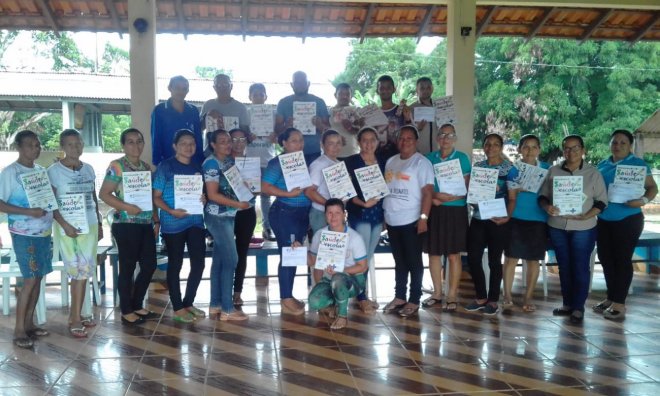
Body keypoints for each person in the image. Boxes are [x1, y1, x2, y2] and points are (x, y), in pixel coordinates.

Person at [538, 135, 608, 324]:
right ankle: (567, 303)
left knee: (580, 267)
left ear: (583, 150)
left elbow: (602, 202)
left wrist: (588, 215)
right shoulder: (553, 171)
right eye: (566, 148)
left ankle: (578, 307)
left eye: (575, 148)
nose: (571, 152)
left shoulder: (593, 173)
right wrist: (547, 207)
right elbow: (542, 197)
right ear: (563, 151)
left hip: (583, 227)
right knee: (564, 266)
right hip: (557, 226)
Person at [0, 131, 56, 348]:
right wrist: (30, 213)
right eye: (31, 145)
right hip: (23, 233)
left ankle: (30, 324)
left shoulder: (41, 171)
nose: (36, 149)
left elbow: (47, 199)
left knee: (39, 277)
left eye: (37, 144)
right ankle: (19, 330)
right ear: (19, 147)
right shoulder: (10, 173)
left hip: (43, 233)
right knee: (29, 279)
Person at [595, 129, 657, 321]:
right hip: (603, 219)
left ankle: (620, 303)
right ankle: (611, 297)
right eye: (614, 142)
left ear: (630, 145)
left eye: (623, 143)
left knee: (622, 260)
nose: (618, 146)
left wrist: (644, 200)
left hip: (628, 219)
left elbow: (652, 187)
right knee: (606, 259)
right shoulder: (602, 165)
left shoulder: (638, 164)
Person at [99, 128, 158, 325]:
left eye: (139, 141)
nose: (136, 145)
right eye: (130, 142)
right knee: (128, 267)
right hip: (125, 224)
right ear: (123, 145)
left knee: (150, 265)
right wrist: (126, 207)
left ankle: (137, 303)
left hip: (145, 224)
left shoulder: (146, 167)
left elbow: (151, 197)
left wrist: (155, 220)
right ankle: (126, 309)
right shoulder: (117, 166)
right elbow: (104, 194)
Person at [48, 129, 103, 338]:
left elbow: (93, 197)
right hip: (67, 229)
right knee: (76, 273)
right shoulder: (53, 171)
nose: (75, 148)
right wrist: (64, 224)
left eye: (78, 144)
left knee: (86, 271)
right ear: (63, 147)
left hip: (88, 226)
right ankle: (74, 318)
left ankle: (80, 313)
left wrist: (98, 223)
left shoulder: (88, 169)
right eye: (70, 145)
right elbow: (51, 203)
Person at [152, 129, 207, 323]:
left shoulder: (196, 168)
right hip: (172, 222)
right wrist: (171, 211)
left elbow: (202, 195)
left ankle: (189, 302)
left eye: (192, 143)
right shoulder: (165, 167)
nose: (188, 147)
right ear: (175, 146)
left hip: (195, 221)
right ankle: (177, 307)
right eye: (183, 143)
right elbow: (156, 197)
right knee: (175, 264)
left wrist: (203, 198)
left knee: (199, 263)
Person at [382, 125, 434, 317]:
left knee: (414, 262)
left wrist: (423, 218)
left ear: (416, 141)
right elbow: (388, 189)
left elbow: (428, 193)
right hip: (392, 219)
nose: (405, 142)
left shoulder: (422, 163)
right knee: (399, 261)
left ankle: (414, 299)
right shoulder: (391, 162)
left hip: (412, 219)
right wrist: (385, 215)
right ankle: (399, 296)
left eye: (409, 138)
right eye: (401, 138)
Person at [261, 127, 311, 315]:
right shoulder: (277, 163)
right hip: (284, 213)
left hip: (302, 213)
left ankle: (288, 295)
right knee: (289, 254)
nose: (299, 144)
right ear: (283, 143)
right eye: (294, 140)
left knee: (295, 253)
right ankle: (286, 298)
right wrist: (287, 193)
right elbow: (264, 187)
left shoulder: (304, 162)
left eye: (301, 140)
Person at [423, 124, 471, 313]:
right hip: (434, 209)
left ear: (455, 138)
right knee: (434, 253)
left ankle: (452, 294)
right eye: (442, 135)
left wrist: (450, 198)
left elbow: (467, 187)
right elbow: (424, 186)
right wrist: (435, 197)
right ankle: (437, 293)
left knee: (453, 254)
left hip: (456, 210)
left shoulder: (462, 158)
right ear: (437, 138)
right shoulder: (428, 159)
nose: (446, 138)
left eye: (450, 135)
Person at [203, 129, 250, 321]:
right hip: (217, 217)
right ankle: (228, 309)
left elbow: (234, 186)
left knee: (220, 261)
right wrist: (239, 204)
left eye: (229, 141)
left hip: (228, 215)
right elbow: (213, 195)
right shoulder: (211, 163)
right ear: (213, 144)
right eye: (222, 141)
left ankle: (215, 304)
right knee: (232, 260)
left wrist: (245, 190)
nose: (227, 144)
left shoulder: (229, 161)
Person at [465, 133, 513, 316]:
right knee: (473, 258)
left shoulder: (510, 169)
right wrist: (473, 199)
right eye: (487, 144)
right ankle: (480, 297)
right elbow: (473, 195)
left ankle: (493, 300)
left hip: (499, 220)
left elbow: (513, 197)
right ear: (484, 147)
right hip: (479, 218)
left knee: (494, 261)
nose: (491, 148)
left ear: (501, 147)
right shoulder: (479, 167)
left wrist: (507, 217)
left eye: (495, 144)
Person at [502, 134, 550, 313]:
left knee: (533, 260)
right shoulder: (514, 169)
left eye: (534, 147)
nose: (530, 151)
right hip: (515, 217)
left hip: (538, 219)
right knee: (511, 258)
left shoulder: (547, 169)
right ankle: (507, 295)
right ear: (519, 149)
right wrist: (517, 188)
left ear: (539, 149)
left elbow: (553, 191)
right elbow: (509, 194)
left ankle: (528, 296)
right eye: (526, 147)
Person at [307, 198, 368, 330]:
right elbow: (312, 261)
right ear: (325, 215)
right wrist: (298, 249)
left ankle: (342, 316)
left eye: (337, 213)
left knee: (337, 278)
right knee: (314, 301)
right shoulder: (320, 234)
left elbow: (363, 266)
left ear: (344, 214)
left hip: (353, 281)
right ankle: (334, 303)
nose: (333, 216)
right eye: (329, 213)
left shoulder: (354, 237)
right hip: (329, 279)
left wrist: (342, 270)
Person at [344, 126, 385, 313]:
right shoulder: (351, 162)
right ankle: (361, 297)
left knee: (367, 256)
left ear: (377, 142)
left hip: (377, 214)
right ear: (358, 142)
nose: (369, 144)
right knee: (360, 256)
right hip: (359, 213)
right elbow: (346, 190)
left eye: (372, 140)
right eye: (364, 140)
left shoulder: (383, 161)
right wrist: (362, 203)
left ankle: (359, 291)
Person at [229, 128, 257, 306]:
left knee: (241, 253)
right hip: (226, 212)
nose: (239, 143)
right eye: (234, 139)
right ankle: (222, 290)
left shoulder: (252, 163)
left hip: (247, 211)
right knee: (225, 253)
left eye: (242, 139)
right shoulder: (221, 162)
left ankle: (237, 292)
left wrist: (252, 186)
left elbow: (257, 191)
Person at [246, 83, 276, 240]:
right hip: (250, 161)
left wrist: (274, 137)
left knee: (266, 197)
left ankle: (267, 229)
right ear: (249, 97)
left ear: (266, 96)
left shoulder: (273, 114)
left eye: (261, 94)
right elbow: (238, 136)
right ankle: (248, 230)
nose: (258, 97)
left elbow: (279, 137)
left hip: (267, 160)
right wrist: (246, 137)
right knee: (249, 196)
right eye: (255, 94)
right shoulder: (246, 114)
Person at [275, 71, 329, 159]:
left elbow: (328, 131)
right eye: (297, 82)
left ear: (308, 84)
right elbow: (277, 130)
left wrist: (320, 125)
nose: (300, 85)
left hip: (314, 152)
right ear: (292, 84)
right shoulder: (283, 103)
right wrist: (286, 126)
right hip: (290, 154)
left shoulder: (319, 102)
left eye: (303, 82)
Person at [151, 75, 203, 166]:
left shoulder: (193, 110)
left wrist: (200, 159)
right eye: (177, 88)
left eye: (184, 88)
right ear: (169, 88)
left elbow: (198, 137)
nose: (181, 91)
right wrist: (158, 162)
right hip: (167, 161)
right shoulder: (160, 110)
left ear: (188, 90)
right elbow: (156, 137)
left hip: (191, 162)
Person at [201, 74, 250, 155]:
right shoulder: (207, 105)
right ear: (214, 87)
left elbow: (245, 133)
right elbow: (200, 128)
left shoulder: (240, 107)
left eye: (225, 84)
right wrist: (206, 115)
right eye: (218, 85)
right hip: (210, 154)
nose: (222, 88)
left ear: (231, 86)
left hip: (233, 154)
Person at [305, 129, 343, 234]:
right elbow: (309, 191)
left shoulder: (338, 163)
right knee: (322, 248)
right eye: (331, 143)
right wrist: (330, 205)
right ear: (322, 145)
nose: (335, 147)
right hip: (320, 213)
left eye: (338, 143)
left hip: (334, 213)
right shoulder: (319, 164)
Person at [374, 75, 407, 160]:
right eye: (382, 88)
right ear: (377, 91)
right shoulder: (373, 113)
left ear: (394, 89)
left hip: (400, 156)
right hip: (378, 157)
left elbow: (411, 131)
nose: (385, 90)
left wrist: (408, 118)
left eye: (388, 87)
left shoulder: (403, 110)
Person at [329, 83, 360, 158]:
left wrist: (350, 128)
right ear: (335, 95)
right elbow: (326, 131)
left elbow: (361, 132)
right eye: (341, 94)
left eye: (347, 94)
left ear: (351, 96)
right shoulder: (329, 112)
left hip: (353, 153)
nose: (344, 96)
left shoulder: (357, 111)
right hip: (334, 155)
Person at [409, 77, 437, 155]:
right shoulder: (411, 109)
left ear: (432, 89)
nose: (425, 90)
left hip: (437, 152)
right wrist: (418, 129)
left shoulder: (440, 106)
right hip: (418, 153)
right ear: (417, 90)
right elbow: (407, 133)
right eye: (422, 88)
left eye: (428, 87)